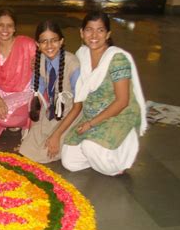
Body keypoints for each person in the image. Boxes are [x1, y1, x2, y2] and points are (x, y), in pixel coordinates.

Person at [61, 11, 147, 176]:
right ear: (81, 32)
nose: (94, 35)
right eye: (89, 30)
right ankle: (101, 150)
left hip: (118, 115)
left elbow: (122, 101)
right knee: (69, 161)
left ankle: (120, 153)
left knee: (89, 147)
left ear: (108, 34)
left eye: (100, 30)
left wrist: (91, 124)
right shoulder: (82, 54)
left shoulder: (117, 59)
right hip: (92, 114)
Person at [19, 20, 81, 163]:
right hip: (53, 112)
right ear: (37, 45)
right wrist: (33, 129)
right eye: (44, 42)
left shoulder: (72, 65)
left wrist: (56, 135)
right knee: (25, 149)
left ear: (61, 41)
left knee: (42, 154)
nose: (49, 46)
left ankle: (73, 142)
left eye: (54, 41)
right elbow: (39, 95)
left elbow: (78, 106)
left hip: (71, 114)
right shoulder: (39, 62)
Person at [0, 8, 36, 143]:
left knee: (5, 118)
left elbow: (42, 64)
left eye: (9, 25)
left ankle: (25, 121)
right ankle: (5, 124)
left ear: (14, 28)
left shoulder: (27, 45)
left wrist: (37, 65)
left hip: (24, 94)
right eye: (0, 25)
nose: (5, 29)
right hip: (0, 95)